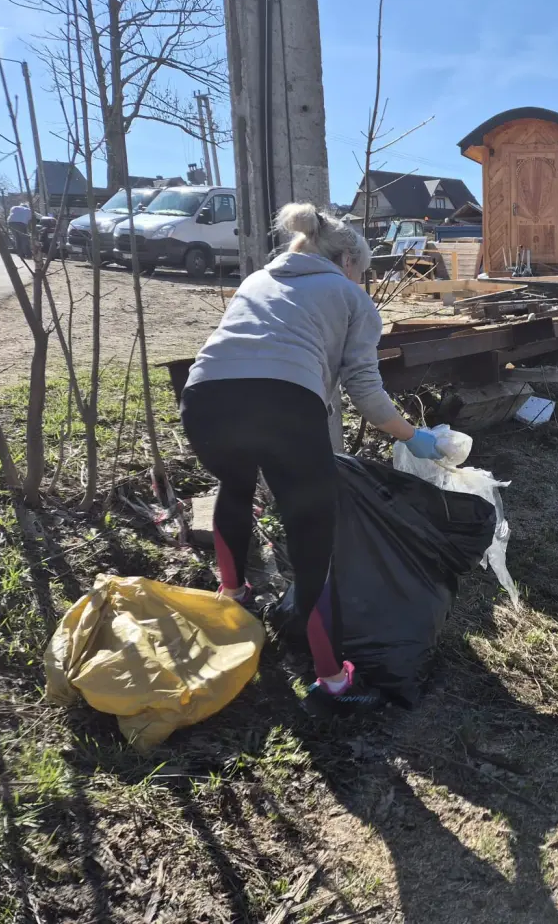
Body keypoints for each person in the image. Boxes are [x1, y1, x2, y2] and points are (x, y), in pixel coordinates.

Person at [180, 203, 445, 716]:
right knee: (310, 540)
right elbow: (365, 392)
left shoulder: (258, 280)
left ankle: (232, 597)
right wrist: (413, 436)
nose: (362, 280)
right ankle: (331, 680)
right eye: (363, 271)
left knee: (234, 490)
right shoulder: (350, 297)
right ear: (347, 260)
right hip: (283, 407)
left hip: (204, 400)